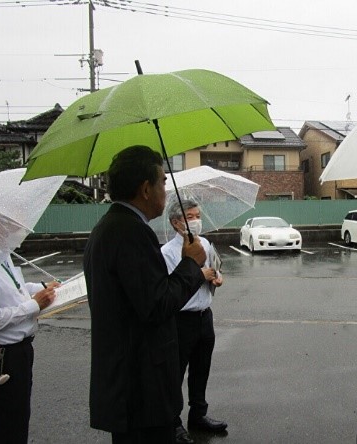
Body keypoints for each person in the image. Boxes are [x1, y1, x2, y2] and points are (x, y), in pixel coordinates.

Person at [83, 145, 207, 444]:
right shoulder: (132, 233)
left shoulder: (109, 226)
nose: (167, 188)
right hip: (141, 388)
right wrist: (191, 263)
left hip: (126, 382)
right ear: (146, 189)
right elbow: (157, 304)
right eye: (163, 181)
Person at [0, 218, 59, 444]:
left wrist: (42, 289)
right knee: (8, 430)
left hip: (15, 353)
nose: (16, 230)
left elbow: (14, 289)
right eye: (10, 224)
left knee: (14, 425)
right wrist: (34, 305)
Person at [161, 199, 227, 443]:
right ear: (176, 223)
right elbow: (170, 288)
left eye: (197, 215)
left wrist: (217, 277)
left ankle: (198, 415)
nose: (195, 221)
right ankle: (173, 422)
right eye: (189, 216)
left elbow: (215, 269)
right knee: (175, 373)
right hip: (180, 320)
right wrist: (199, 274)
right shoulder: (167, 252)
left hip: (204, 316)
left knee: (201, 370)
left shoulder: (206, 244)